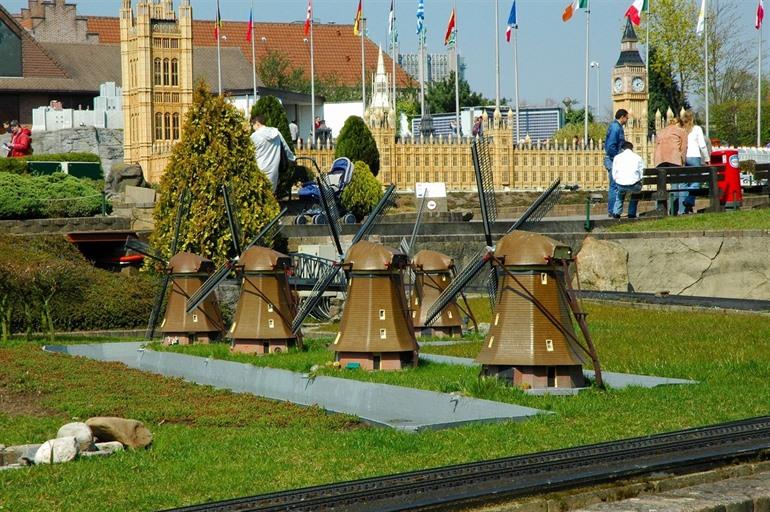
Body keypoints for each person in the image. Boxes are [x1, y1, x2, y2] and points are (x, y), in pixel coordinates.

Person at [250, 114, 295, 193]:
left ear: (257, 123)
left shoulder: (254, 136)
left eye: (253, 125)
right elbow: (285, 147)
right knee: (271, 195)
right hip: (273, 171)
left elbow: (249, 153)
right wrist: (293, 158)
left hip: (259, 170)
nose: (253, 128)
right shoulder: (276, 133)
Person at [654, 117, 688, 214]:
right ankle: (674, 210)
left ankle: (660, 209)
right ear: (680, 124)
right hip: (673, 158)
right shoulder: (681, 131)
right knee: (675, 184)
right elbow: (684, 148)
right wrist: (683, 161)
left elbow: (656, 146)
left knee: (661, 185)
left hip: (659, 160)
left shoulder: (661, 131)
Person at [681, 110, 709, 214]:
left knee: (684, 183)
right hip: (694, 157)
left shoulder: (682, 129)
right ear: (693, 118)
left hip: (684, 158)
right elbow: (702, 145)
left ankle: (684, 209)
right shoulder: (697, 129)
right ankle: (688, 202)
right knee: (696, 182)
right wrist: (707, 158)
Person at [604, 109, 628, 217]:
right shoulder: (615, 128)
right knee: (614, 186)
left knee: (615, 185)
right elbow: (611, 146)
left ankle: (614, 210)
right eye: (627, 118)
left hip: (614, 159)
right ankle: (613, 211)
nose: (627, 120)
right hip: (613, 160)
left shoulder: (616, 127)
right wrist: (618, 158)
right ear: (622, 117)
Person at [611, 141, 644, 219]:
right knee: (635, 195)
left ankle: (616, 213)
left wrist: (617, 180)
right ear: (632, 149)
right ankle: (631, 213)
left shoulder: (617, 157)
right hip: (634, 185)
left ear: (622, 149)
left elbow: (614, 172)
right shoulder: (638, 157)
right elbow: (642, 172)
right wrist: (638, 180)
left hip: (621, 184)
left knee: (620, 196)